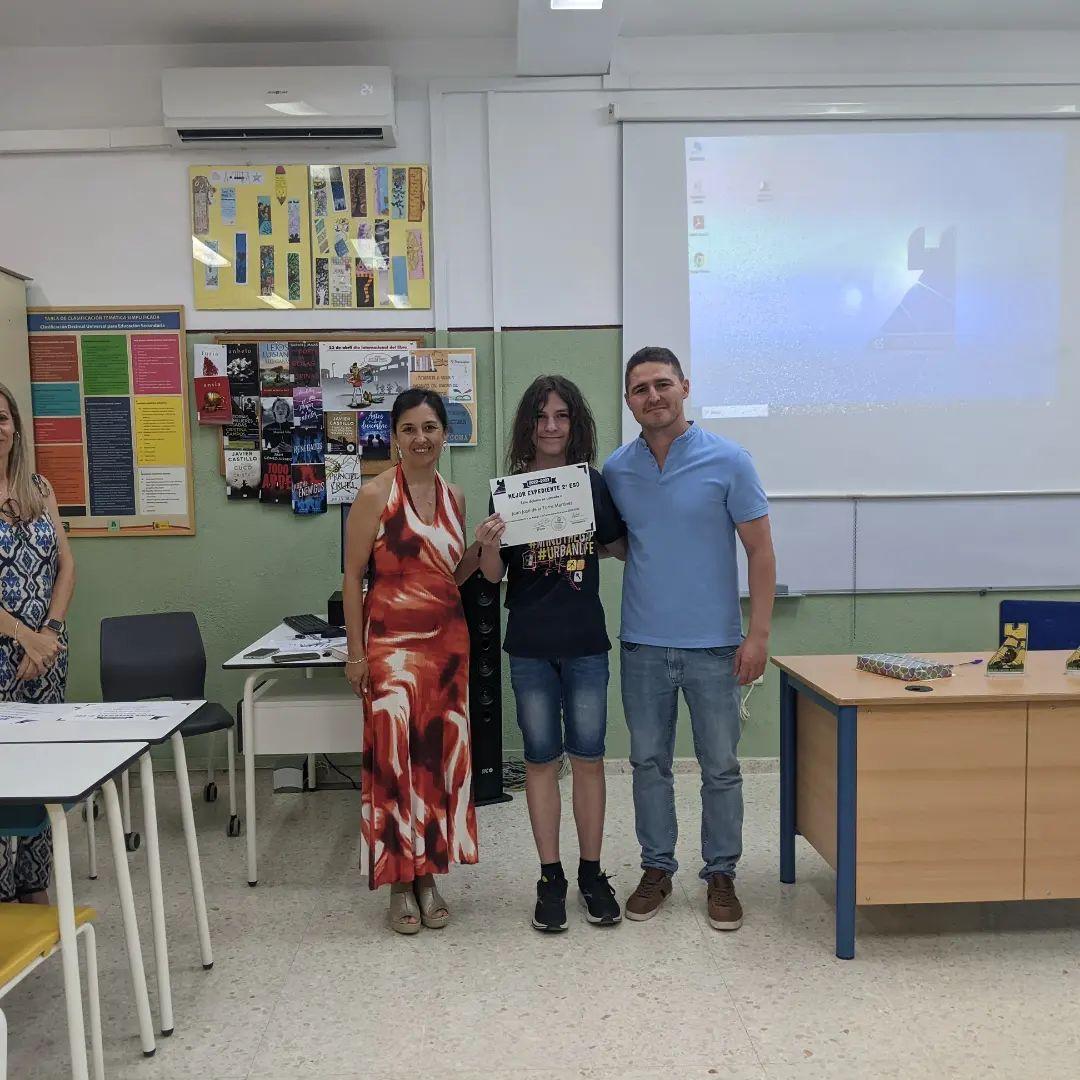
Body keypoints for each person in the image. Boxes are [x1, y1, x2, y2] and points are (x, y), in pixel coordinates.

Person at [603, 347, 775, 931]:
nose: (652, 396)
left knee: (721, 766)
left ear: (684, 387)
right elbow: (620, 543)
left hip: (715, 647)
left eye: (662, 384)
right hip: (643, 645)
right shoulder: (616, 470)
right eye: (640, 389)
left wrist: (758, 635)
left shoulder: (730, 460)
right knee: (647, 763)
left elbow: (760, 551)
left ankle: (721, 873)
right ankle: (657, 868)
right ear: (629, 402)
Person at [476, 376, 625, 932]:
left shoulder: (592, 483)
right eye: (541, 417)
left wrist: (595, 535)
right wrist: (489, 545)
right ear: (528, 426)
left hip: (585, 642)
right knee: (540, 761)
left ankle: (592, 873)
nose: (551, 426)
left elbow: (617, 546)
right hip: (530, 648)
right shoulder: (509, 490)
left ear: (575, 423)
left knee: (588, 758)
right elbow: (493, 575)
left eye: (561, 416)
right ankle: (550, 877)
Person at [342, 387, 481, 934]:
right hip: (391, 650)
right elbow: (352, 578)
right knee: (395, 764)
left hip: (446, 650)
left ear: (445, 434)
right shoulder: (374, 495)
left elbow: (451, 574)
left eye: (430, 428)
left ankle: (429, 876)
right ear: (395, 437)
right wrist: (356, 655)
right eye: (409, 429)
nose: (420, 438)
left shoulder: (456, 497)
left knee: (435, 762)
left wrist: (484, 547)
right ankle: (399, 881)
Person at [0, 382, 76, 904]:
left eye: (2, 418)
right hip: (7, 652)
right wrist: (24, 636)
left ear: (16, 427)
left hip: (47, 655)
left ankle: (35, 891)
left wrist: (48, 633)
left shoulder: (39, 487)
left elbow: (66, 565)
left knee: (43, 772)